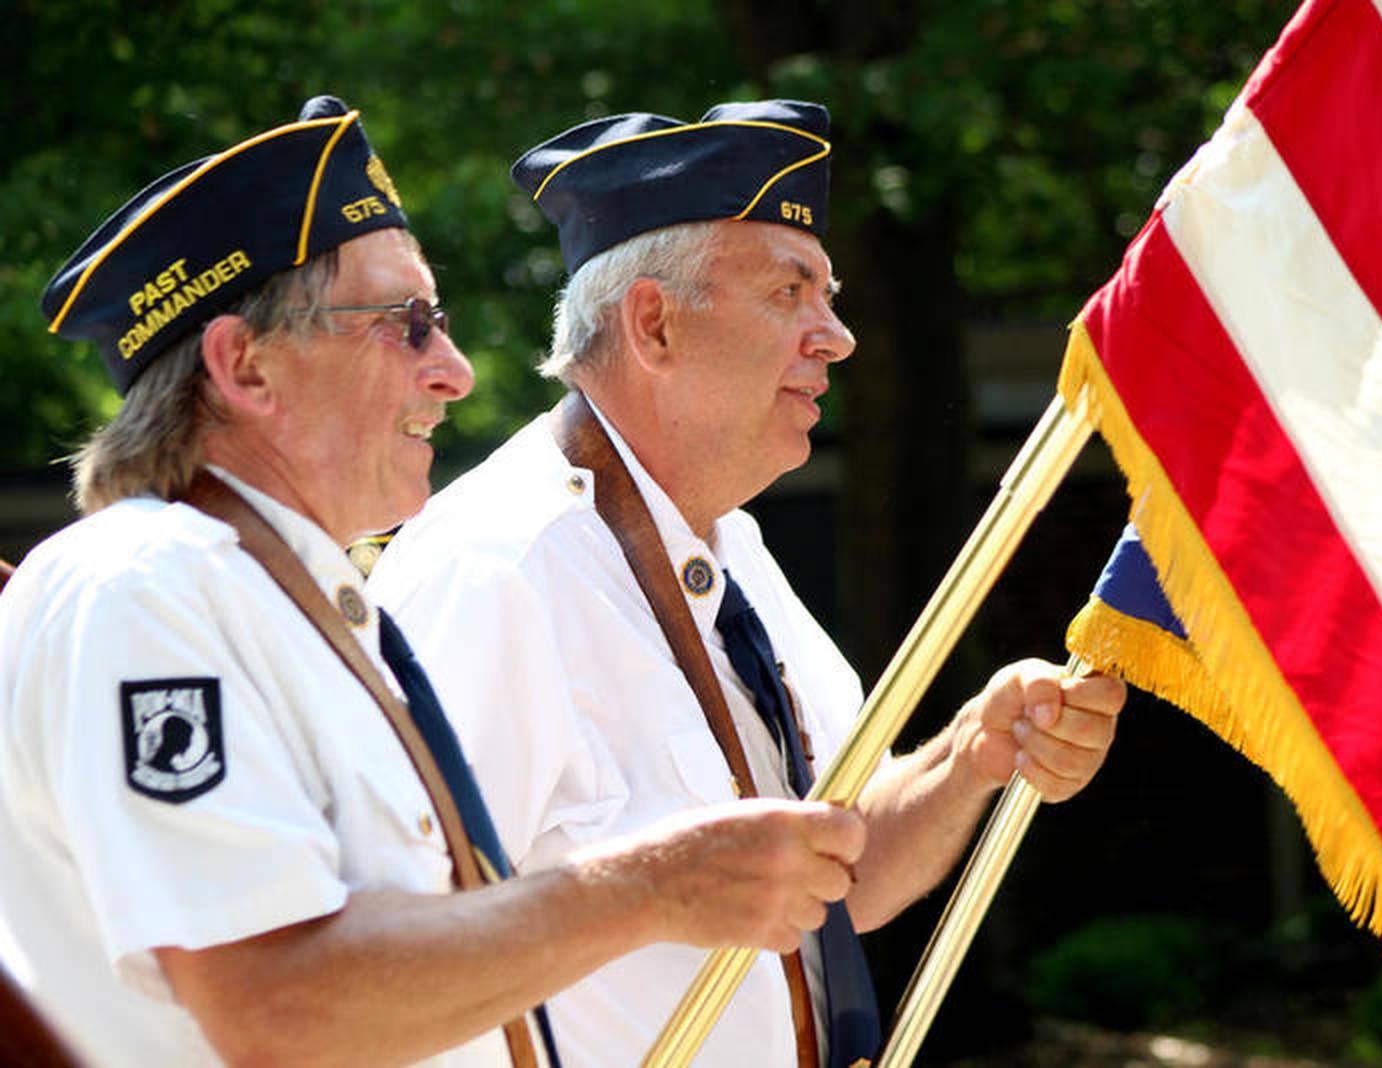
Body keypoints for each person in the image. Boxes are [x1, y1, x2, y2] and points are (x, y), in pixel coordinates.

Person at [0, 97, 871, 1068]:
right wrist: (650, 889)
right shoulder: (143, 587)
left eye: (441, 323)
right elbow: (275, 1008)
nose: (454, 371)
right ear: (245, 365)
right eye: (406, 324)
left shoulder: (289, 603)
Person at [368, 99, 1127, 1068]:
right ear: (654, 324)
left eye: (830, 295)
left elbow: (837, 865)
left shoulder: (737, 549)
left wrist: (972, 752)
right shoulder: (494, 569)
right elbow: (405, 975)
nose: (836, 336)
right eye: (789, 294)